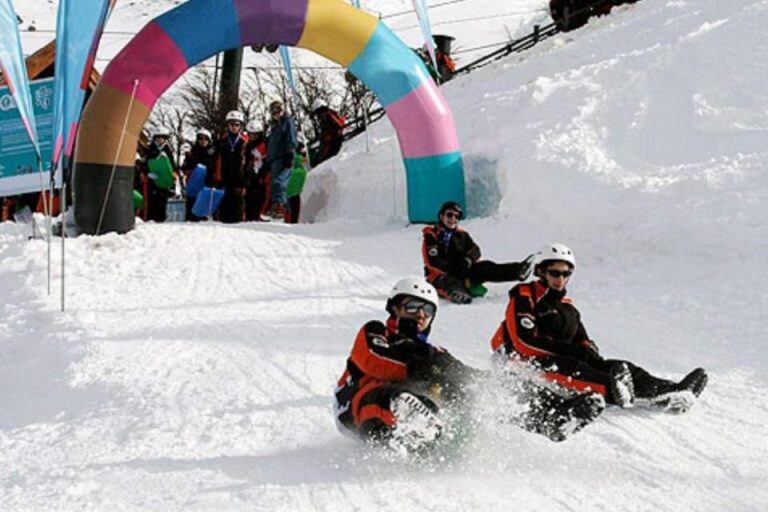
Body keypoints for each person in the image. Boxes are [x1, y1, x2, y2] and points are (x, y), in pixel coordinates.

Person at [334, 277, 604, 452]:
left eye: (426, 311)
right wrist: (423, 367)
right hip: (360, 410)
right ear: (394, 308)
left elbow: (466, 377)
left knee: (479, 386)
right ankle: (413, 421)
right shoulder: (376, 332)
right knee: (390, 394)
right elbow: (375, 360)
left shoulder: (433, 352)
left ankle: (553, 416)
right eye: (413, 306)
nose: (419, 315)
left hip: (413, 407)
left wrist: (494, 389)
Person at [489, 243, 708, 413]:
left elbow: (581, 340)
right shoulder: (525, 297)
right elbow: (524, 343)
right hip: (520, 364)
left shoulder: (567, 307)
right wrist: (577, 351)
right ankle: (613, 390)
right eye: (555, 273)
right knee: (575, 367)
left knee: (618, 366)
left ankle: (670, 391)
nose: (561, 279)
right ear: (541, 272)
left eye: (566, 274)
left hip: (558, 359)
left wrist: (588, 349)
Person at [422, 201, 535, 305]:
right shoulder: (432, 236)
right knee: (448, 282)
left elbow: (475, 250)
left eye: (457, 216)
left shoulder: (462, 235)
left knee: (486, 267)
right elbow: (432, 262)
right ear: (441, 216)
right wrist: (454, 269)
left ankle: (518, 271)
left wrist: (468, 259)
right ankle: (459, 294)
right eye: (449, 215)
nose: (453, 219)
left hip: (463, 272)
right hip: (439, 275)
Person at [265, 100, 297, 221]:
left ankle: (281, 207)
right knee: (273, 184)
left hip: (285, 156)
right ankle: (276, 207)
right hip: (275, 159)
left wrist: (290, 151)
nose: (276, 114)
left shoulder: (287, 121)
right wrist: (268, 160)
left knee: (280, 183)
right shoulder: (274, 126)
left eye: (278, 111)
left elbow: (291, 136)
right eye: (273, 112)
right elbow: (272, 144)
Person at [213, 110, 248, 223]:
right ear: (227, 125)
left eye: (237, 124)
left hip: (239, 182)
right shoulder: (221, 142)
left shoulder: (245, 143)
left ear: (241, 126)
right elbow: (215, 161)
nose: (234, 127)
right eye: (231, 124)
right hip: (223, 181)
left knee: (237, 214)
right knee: (223, 214)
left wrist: (246, 180)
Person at [140, 128, 176, 223]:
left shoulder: (168, 150)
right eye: (158, 137)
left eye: (162, 138)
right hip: (151, 181)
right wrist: (147, 173)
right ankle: (150, 219)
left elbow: (173, 166)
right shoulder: (149, 149)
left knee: (162, 201)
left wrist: (172, 177)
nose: (160, 140)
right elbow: (143, 164)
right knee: (152, 202)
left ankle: (161, 220)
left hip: (164, 181)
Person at [181, 128, 216, 221]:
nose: (203, 141)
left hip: (206, 186)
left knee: (203, 215)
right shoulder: (192, 153)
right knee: (191, 213)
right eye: (201, 138)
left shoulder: (213, 154)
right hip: (193, 186)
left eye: (205, 139)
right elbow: (184, 167)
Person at [243, 121, 269, 221]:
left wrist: (263, 174)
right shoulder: (247, 146)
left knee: (259, 198)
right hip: (250, 176)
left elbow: (266, 161)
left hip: (261, 176)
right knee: (249, 198)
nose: (253, 136)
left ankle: (257, 216)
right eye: (251, 134)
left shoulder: (264, 145)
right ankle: (249, 217)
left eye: (255, 134)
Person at [311, 100, 345, 165]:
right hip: (330, 142)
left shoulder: (328, 115)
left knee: (325, 160)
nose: (318, 115)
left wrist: (330, 136)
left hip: (333, 141)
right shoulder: (326, 116)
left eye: (317, 112)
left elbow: (338, 126)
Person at [285, 143, 308, 224]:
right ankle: (293, 221)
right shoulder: (300, 159)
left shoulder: (287, 157)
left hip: (288, 188)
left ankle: (288, 220)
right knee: (295, 207)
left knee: (289, 207)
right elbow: (306, 169)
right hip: (296, 189)